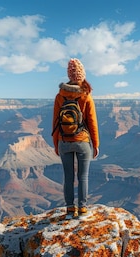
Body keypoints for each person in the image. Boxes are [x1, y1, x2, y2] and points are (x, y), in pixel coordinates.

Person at [52, 58, 99, 217]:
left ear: (69, 75)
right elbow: (92, 122)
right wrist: (96, 144)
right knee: (83, 177)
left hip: (64, 141)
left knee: (68, 177)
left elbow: (56, 122)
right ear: (81, 76)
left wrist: (56, 144)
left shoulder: (60, 96)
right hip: (82, 141)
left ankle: (70, 209)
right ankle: (83, 208)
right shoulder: (86, 96)